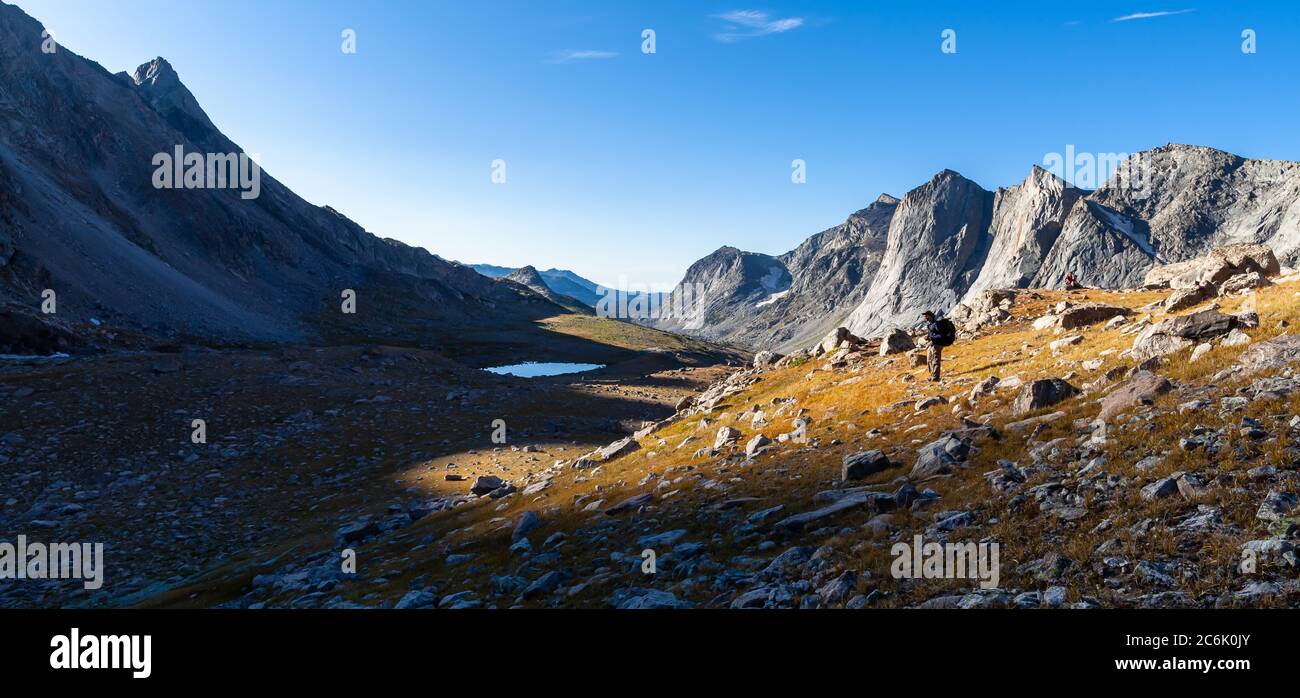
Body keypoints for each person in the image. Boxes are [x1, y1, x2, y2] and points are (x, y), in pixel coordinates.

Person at [921, 311, 955, 382]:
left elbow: (941, 335)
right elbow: (933, 334)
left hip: (938, 344)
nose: (925, 317)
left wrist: (931, 337)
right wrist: (928, 336)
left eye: (926, 316)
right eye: (924, 316)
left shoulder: (936, 324)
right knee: (929, 360)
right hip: (932, 344)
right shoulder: (931, 325)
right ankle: (932, 375)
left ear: (930, 316)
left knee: (935, 360)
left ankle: (936, 377)